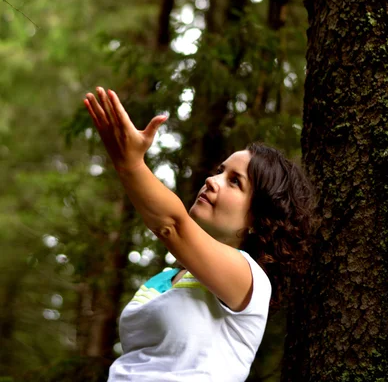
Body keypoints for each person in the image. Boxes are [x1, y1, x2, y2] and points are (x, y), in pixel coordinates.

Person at [84, 87, 318, 382]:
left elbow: (172, 225)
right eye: (220, 171)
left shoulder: (250, 280)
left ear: (260, 218)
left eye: (235, 182)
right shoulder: (163, 280)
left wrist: (130, 164)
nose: (212, 180)